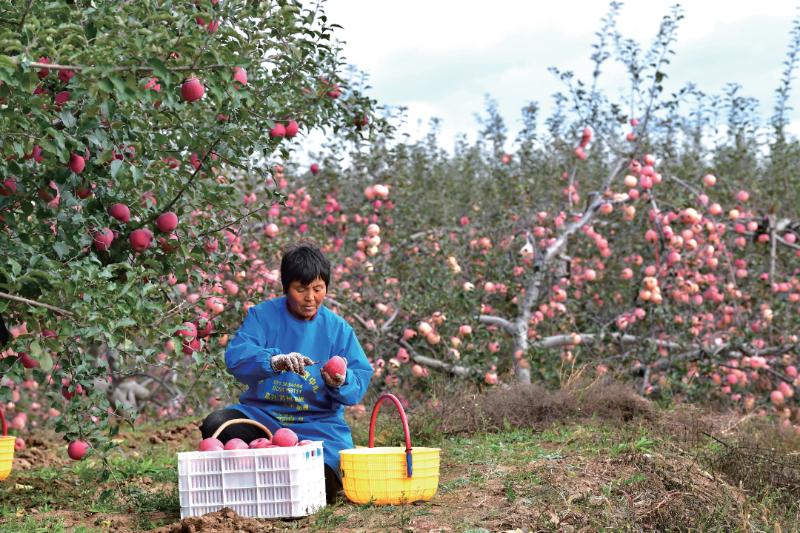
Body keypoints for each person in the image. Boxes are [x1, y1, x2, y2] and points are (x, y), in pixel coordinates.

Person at [199, 243, 373, 504]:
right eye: (301, 289)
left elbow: (358, 380)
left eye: (318, 289)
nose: (310, 297)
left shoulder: (338, 329)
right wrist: (272, 361)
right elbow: (236, 358)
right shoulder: (261, 316)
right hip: (264, 419)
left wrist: (341, 381)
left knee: (321, 479)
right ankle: (264, 482)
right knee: (216, 424)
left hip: (318, 427)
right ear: (286, 287)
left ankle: (265, 482)